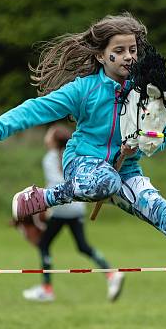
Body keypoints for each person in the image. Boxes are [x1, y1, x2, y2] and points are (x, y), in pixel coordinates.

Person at [0, 12, 166, 292]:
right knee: (106, 179)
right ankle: (41, 197)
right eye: (118, 51)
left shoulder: (145, 92)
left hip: (127, 171)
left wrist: (145, 143)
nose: (128, 56)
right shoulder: (83, 90)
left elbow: (163, 135)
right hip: (83, 163)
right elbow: (38, 108)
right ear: (100, 56)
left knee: (161, 210)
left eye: (132, 50)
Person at [21, 124, 125, 303]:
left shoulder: (50, 158)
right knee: (83, 246)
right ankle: (111, 274)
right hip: (77, 207)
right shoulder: (75, 155)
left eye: (49, 135)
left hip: (62, 208)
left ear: (53, 141)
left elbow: (54, 185)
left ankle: (47, 289)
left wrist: (44, 207)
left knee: (44, 244)